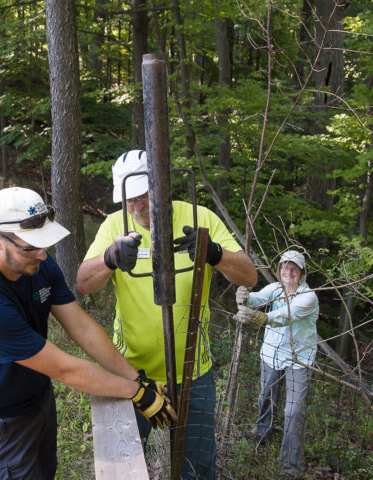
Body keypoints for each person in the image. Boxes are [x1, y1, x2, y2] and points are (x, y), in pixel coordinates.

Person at [0, 186, 176, 480]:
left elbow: (81, 327)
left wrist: (136, 379)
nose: (44, 255)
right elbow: (64, 368)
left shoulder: (39, 266)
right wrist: (137, 394)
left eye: (44, 243)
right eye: (31, 246)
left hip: (38, 398)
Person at [76, 150, 257, 480]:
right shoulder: (116, 224)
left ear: (161, 186)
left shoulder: (198, 216)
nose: (137, 208)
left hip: (193, 371)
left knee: (197, 466)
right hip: (132, 371)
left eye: (143, 196)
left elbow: (249, 276)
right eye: (128, 200)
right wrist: (109, 257)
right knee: (124, 465)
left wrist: (214, 253)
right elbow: (83, 283)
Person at [235, 250, 319, 479]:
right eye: (285, 267)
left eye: (294, 269)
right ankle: (263, 433)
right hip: (272, 353)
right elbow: (257, 299)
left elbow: (285, 315)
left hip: (299, 359)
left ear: (301, 273)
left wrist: (260, 318)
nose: (288, 272)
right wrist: (243, 296)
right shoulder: (275, 289)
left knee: (294, 410)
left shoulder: (308, 297)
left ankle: (291, 466)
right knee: (266, 397)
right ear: (280, 268)